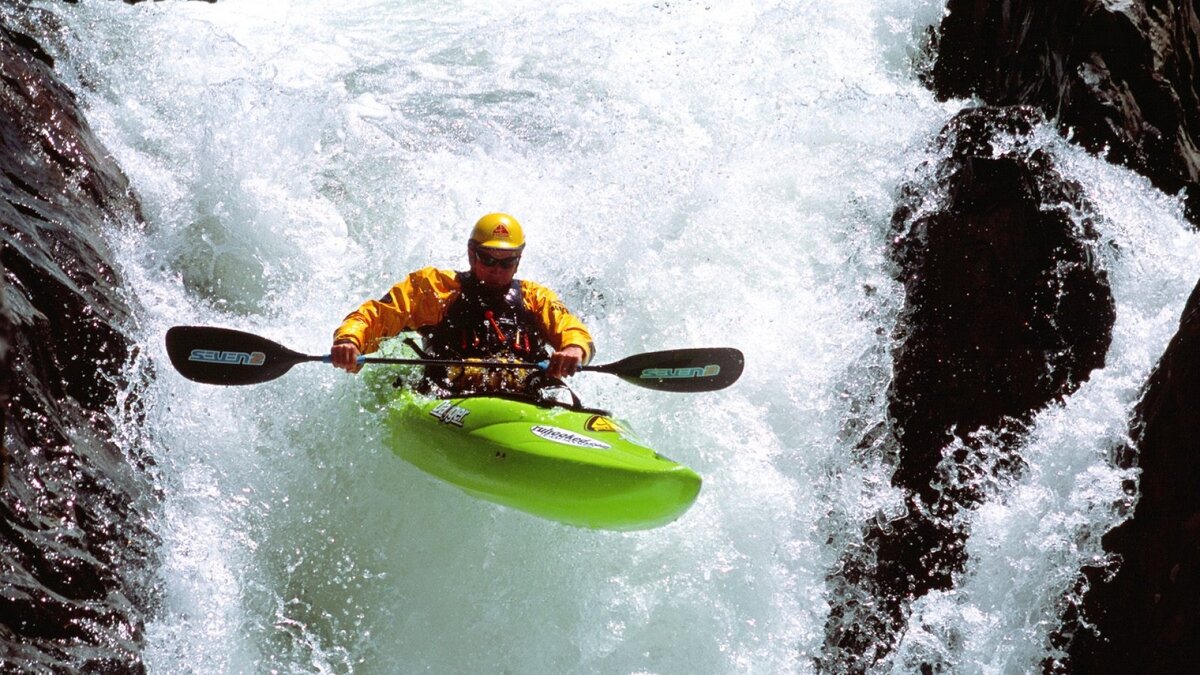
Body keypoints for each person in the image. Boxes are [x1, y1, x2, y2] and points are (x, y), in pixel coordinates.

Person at [330, 213, 593, 394]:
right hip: (450, 395)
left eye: (506, 262)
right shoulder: (435, 288)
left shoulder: (536, 297)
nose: (496, 270)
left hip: (527, 396)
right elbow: (375, 316)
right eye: (487, 259)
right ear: (471, 253)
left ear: (518, 260)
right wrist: (349, 341)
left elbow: (573, 331)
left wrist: (573, 350)